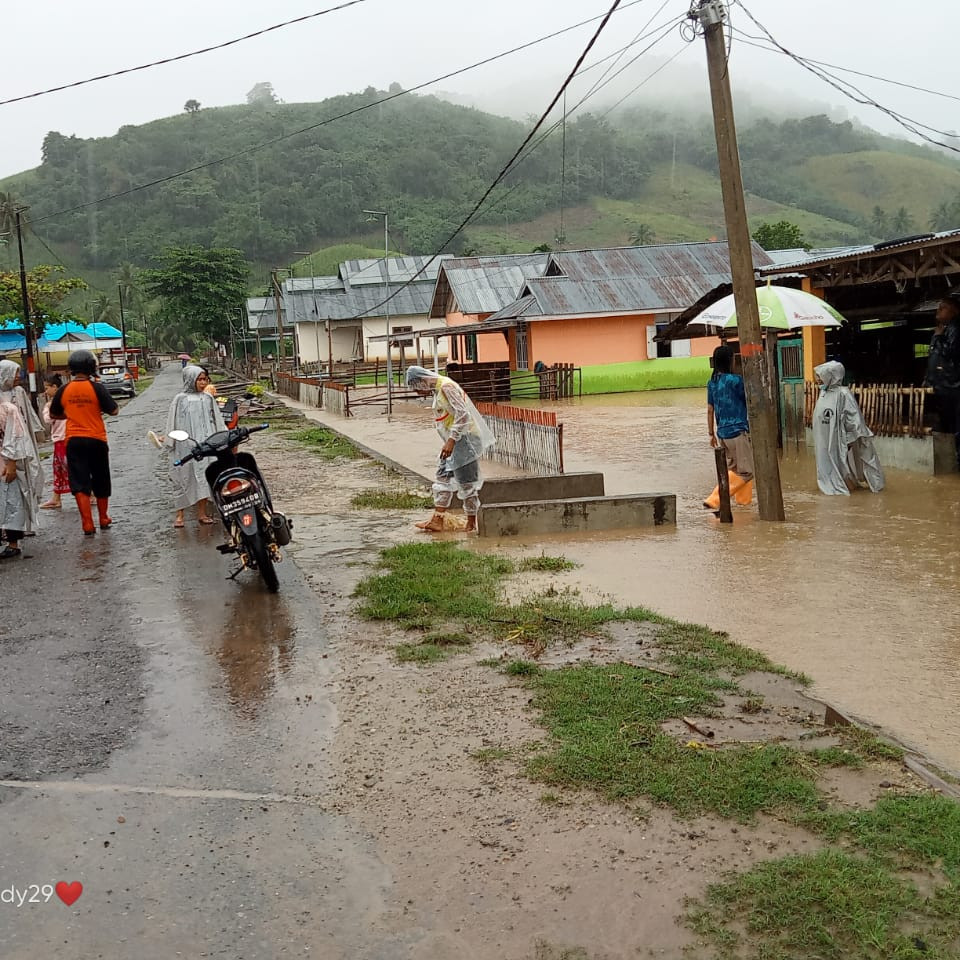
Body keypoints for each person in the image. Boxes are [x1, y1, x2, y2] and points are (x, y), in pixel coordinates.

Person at [404, 365, 495, 533]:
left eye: (416, 388)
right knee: (443, 477)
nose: (418, 393)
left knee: (466, 482)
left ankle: (471, 524)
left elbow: (463, 414)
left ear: (422, 381)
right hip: (454, 441)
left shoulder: (446, 387)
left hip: (465, 440)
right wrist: (449, 441)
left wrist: (451, 441)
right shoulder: (438, 390)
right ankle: (437, 520)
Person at [48, 349, 119, 535]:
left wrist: (70, 414)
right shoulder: (97, 388)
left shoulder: (64, 390)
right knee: (101, 479)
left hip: (74, 441)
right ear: (91, 367)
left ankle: (87, 524)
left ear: (71, 368)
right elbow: (114, 411)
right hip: (96, 439)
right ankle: (103, 518)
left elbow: (54, 414)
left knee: (79, 481)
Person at [162, 365, 226, 528]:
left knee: (205, 476)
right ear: (191, 380)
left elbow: (217, 420)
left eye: (205, 379)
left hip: (205, 444)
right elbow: (172, 422)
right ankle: (180, 515)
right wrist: (171, 441)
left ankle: (202, 513)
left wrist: (223, 438)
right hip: (185, 444)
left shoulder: (208, 399)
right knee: (184, 477)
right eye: (200, 379)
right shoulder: (180, 399)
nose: (203, 383)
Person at [812, 360, 884, 496]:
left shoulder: (843, 394)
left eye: (821, 376)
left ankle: (850, 491)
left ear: (831, 376)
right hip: (823, 440)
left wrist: (849, 439)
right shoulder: (823, 394)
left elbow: (854, 419)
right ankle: (832, 485)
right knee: (827, 464)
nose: (818, 380)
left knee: (841, 464)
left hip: (839, 439)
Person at [704, 345, 754, 509]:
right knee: (747, 471)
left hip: (723, 433)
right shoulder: (736, 381)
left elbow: (710, 409)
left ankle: (743, 503)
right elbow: (750, 399)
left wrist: (711, 433)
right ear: (730, 360)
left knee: (735, 469)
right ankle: (715, 499)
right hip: (738, 431)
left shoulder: (712, 383)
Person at [0, 360, 44, 540]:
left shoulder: (18, 394)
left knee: (22, 487)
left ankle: (22, 527)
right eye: (16, 373)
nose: (19, 377)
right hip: (7, 449)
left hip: (20, 448)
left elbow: (25, 421)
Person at [0, 396, 41, 560]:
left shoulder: (8, 410)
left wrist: (11, 463)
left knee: (11, 502)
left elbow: (15, 439)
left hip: (5, 463)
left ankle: (13, 543)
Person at [926, 295, 960, 464]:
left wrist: (939, 337)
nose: (938, 311)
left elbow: (952, 353)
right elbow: (934, 358)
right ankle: (951, 460)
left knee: (955, 425)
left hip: (953, 386)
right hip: (943, 386)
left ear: (953, 311)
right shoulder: (944, 329)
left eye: (942, 308)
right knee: (945, 425)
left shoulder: (955, 329)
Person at [40, 372, 69, 509]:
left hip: (62, 439)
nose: (45, 391)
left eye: (47, 388)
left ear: (55, 387)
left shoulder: (52, 405)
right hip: (67, 438)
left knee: (65, 468)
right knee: (62, 468)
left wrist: (48, 408)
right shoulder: (68, 401)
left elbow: (48, 419)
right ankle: (56, 497)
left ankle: (90, 493)